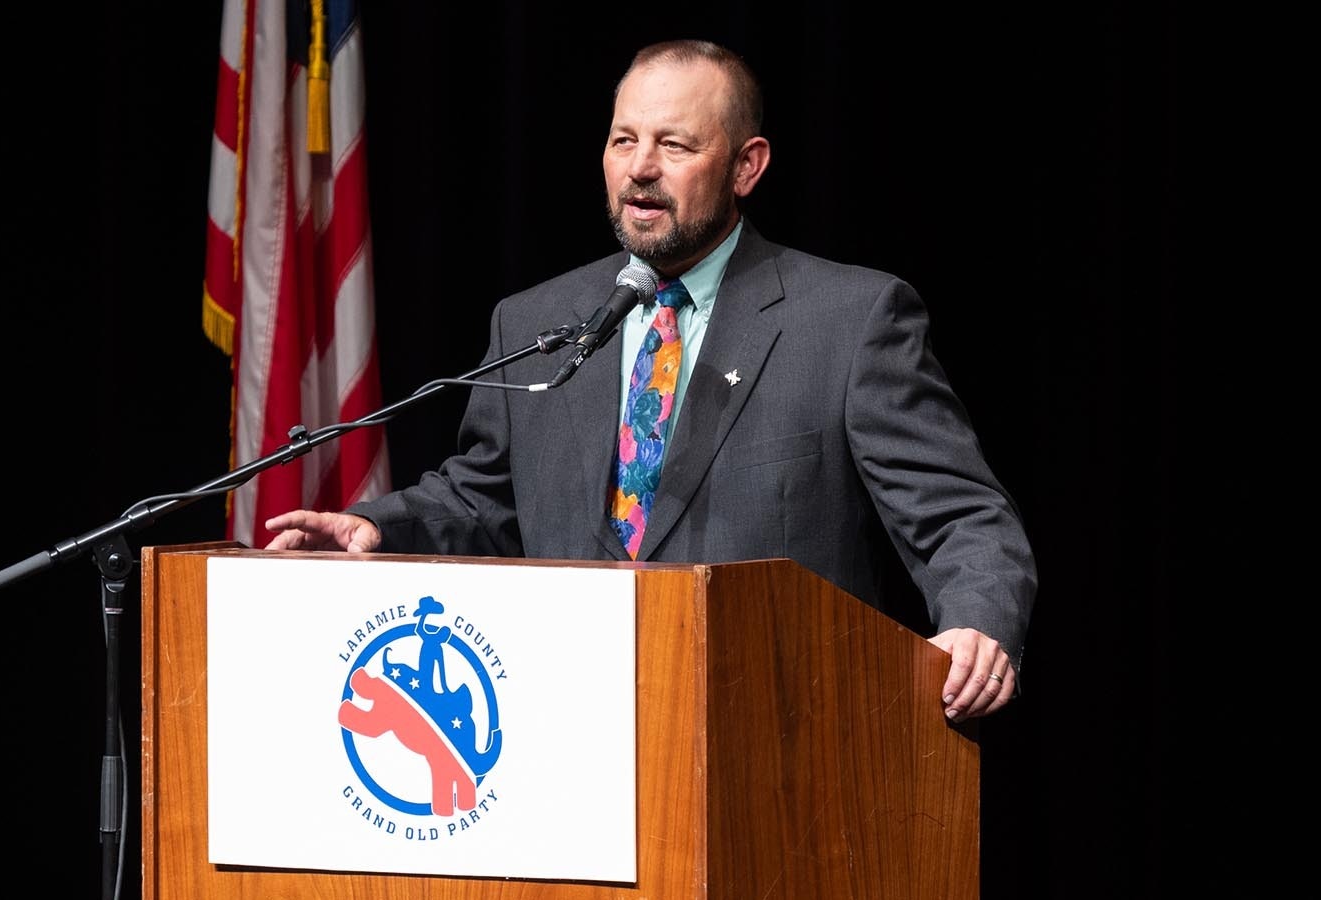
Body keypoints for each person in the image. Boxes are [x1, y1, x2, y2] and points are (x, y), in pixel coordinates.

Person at [266, 39, 1036, 722]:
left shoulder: (849, 321)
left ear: (747, 165)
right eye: (624, 139)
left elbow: (960, 517)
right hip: (563, 724)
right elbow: (485, 498)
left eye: (674, 144)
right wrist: (382, 528)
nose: (640, 167)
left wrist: (976, 623)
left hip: (774, 735)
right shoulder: (538, 320)